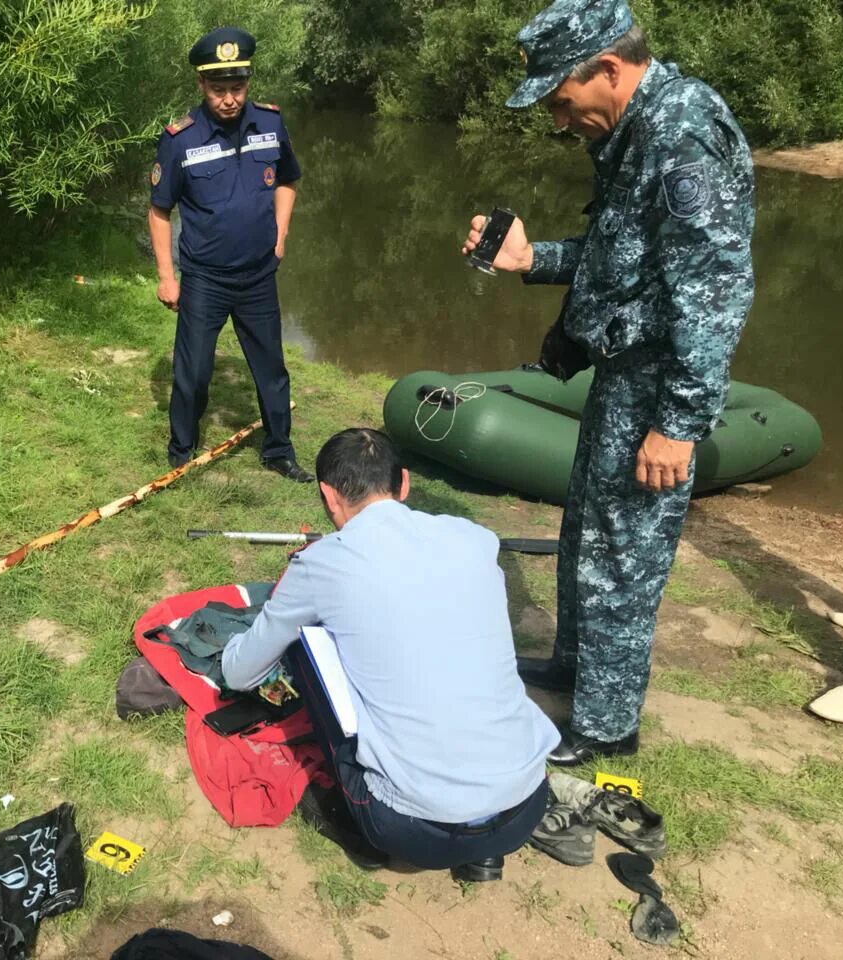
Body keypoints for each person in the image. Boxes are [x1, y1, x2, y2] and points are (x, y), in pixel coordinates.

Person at [460, 0, 756, 765]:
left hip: (655, 386)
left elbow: (715, 289)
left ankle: (605, 725)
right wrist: (533, 262)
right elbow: (617, 251)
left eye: (563, 101)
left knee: (625, 551)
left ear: (610, 70)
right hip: (620, 375)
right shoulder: (632, 130)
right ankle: (574, 670)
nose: (561, 121)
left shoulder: (681, 132)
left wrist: (681, 422)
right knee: (587, 531)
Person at [221, 428, 558, 880]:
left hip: (411, 829)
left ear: (328, 496)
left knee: (305, 646)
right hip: (526, 804)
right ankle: (481, 850)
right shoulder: (475, 538)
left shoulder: (322, 564)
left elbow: (240, 672)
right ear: (404, 483)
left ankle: (355, 817)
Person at [148, 27, 313, 482]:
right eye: (219, 89)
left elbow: (287, 179)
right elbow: (160, 210)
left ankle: (279, 450)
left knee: (272, 371)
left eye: (237, 88)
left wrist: (280, 232)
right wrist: (167, 275)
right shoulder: (181, 139)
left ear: (248, 83)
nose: (229, 99)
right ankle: (182, 451)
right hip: (205, 278)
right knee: (194, 372)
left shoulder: (271, 123)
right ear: (202, 85)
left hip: (259, 275)